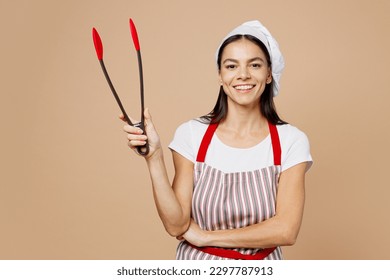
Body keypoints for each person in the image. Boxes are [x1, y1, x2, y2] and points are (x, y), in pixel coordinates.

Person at [122, 20, 313, 260]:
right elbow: (176, 225)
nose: (243, 75)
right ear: (220, 76)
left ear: (268, 75)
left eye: (254, 65)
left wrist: (208, 237)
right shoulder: (192, 134)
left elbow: (286, 230)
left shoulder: (291, 141)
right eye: (231, 66)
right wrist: (154, 157)